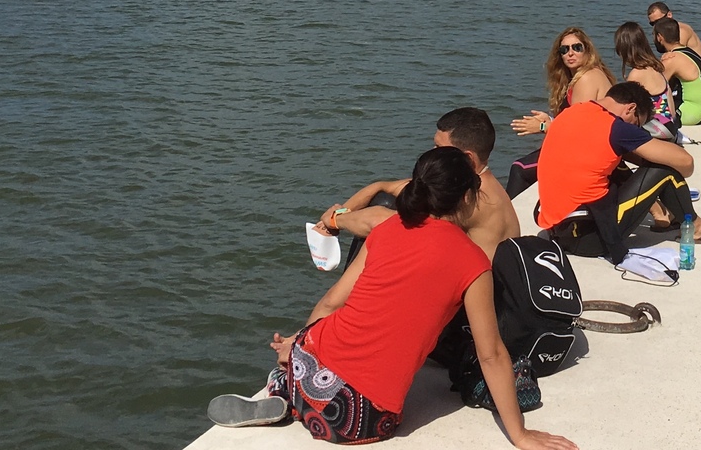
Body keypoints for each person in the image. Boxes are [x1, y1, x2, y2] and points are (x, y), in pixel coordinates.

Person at [208, 147, 578, 450]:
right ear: (467, 197)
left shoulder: (387, 227)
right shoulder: (473, 262)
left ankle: (284, 387)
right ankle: (297, 391)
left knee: (312, 345)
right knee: (375, 397)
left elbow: (332, 303)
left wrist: (299, 346)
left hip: (308, 374)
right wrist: (520, 435)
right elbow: (491, 355)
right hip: (355, 417)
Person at [535, 82, 701, 263]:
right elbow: (685, 162)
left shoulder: (572, 112)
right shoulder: (618, 128)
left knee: (615, 162)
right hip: (591, 239)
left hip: (559, 231)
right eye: (638, 124)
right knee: (663, 169)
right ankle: (696, 226)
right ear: (631, 108)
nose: (636, 129)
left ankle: (669, 214)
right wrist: (644, 148)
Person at [318, 107, 519, 262]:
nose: (432, 152)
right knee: (386, 198)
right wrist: (340, 214)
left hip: (473, 296)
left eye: (439, 147)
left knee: (384, 224)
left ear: (468, 158)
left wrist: (335, 220)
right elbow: (382, 186)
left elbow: (382, 223)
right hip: (457, 272)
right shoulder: (473, 182)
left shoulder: (474, 199)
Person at [507, 28, 615, 196]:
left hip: (589, 153)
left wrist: (543, 126)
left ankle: (507, 214)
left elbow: (576, 132)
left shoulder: (587, 79)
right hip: (585, 148)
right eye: (564, 49)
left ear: (587, 50)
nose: (570, 53)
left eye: (577, 48)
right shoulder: (577, 78)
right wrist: (550, 120)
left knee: (519, 169)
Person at [613, 21, 677, 137]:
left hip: (657, 129)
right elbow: (672, 111)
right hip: (670, 127)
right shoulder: (656, 68)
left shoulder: (636, 74)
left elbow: (628, 110)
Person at [652, 16, 701, 126]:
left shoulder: (672, 60)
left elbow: (653, 88)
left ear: (660, 37)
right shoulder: (688, 52)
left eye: (653, 36)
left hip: (689, 114)